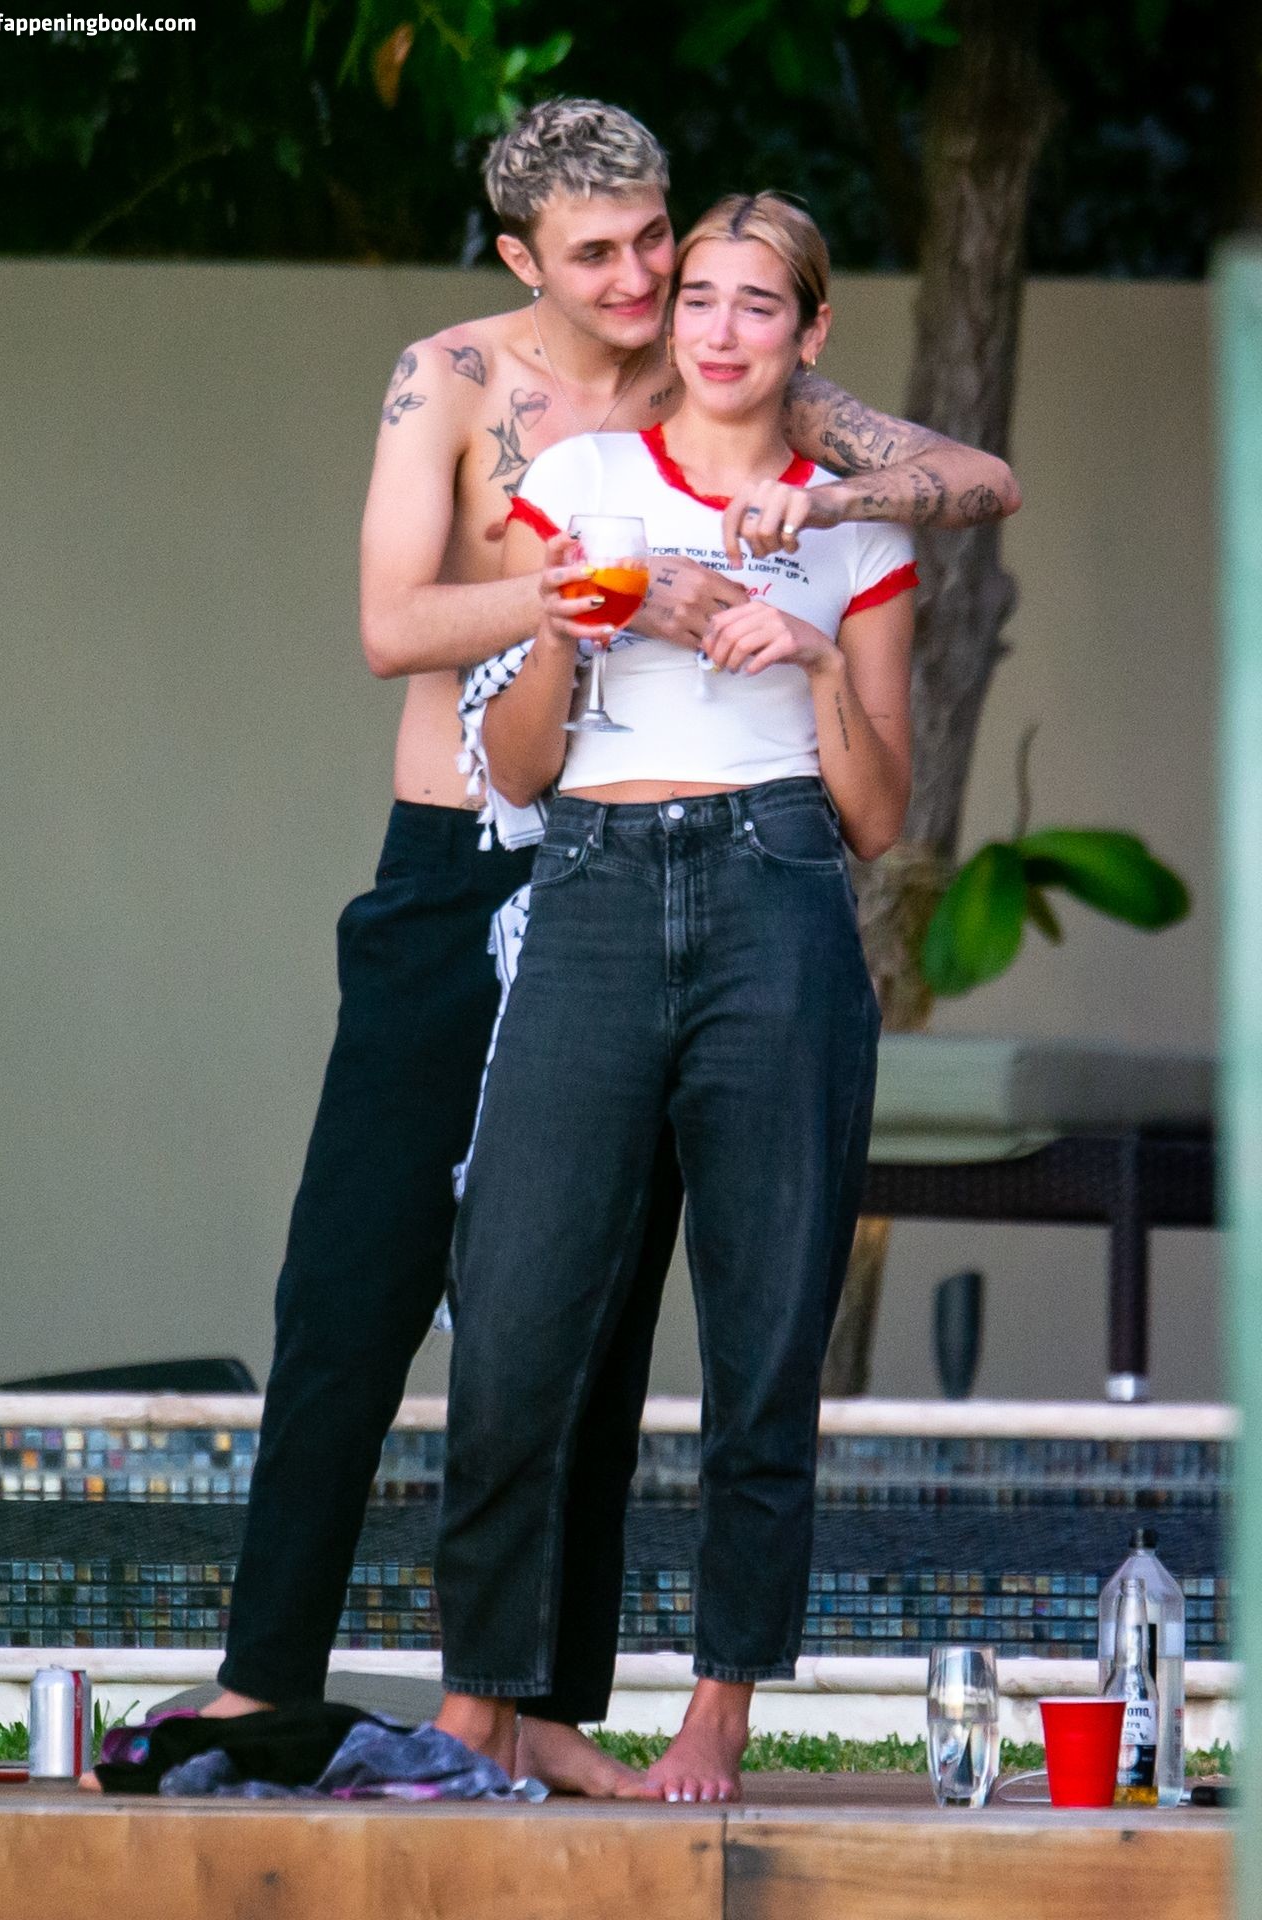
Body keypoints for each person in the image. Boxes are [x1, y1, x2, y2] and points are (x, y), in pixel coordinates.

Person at [205, 98, 1020, 1797]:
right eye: (607, 256)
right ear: (523, 259)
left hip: (717, 867)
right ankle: (273, 1680)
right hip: (479, 861)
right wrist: (602, 596)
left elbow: (972, 482)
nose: (651, 283)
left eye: (664, 239)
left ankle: (557, 1704)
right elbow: (395, 630)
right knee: (381, 1278)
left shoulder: (742, 372)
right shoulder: (464, 387)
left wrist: (823, 522)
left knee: (636, 1300)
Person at [432, 191, 916, 1804]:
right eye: (697, 296)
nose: (716, 328)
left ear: (810, 331)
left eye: (756, 304)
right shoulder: (582, 483)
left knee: (766, 1328)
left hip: (779, 891)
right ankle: (484, 1706)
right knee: (514, 1309)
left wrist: (815, 660)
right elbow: (513, 767)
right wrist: (573, 622)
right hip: (589, 884)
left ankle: (719, 1704)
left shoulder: (857, 529)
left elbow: (878, 817)